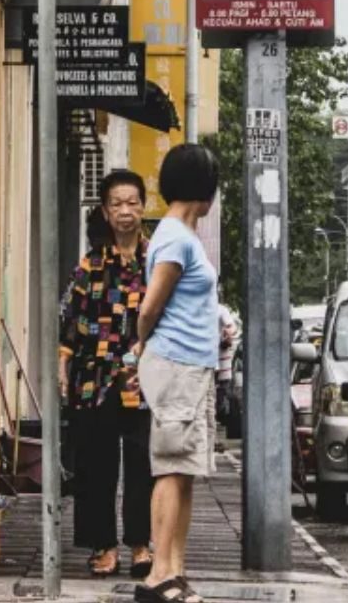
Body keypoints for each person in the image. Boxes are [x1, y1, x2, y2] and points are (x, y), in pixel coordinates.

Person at [57, 171, 155, 579]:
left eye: (132, 202)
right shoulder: (90, 264)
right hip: (93, 379)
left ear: (144, 206)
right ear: (104, 210)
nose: (125, 211)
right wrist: (63, 368)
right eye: (117, 203)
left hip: (143, 379)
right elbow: (70, 322)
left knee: (142, 464)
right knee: (95, 466)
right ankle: (104, 546)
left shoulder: (157, 261)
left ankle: (141, 545)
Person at [135, 145, 221, 603]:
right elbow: (149, 307)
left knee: (184, 469)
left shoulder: (182, 236)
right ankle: (158, 575)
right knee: (170, 467)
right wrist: (141, 345)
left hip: (192, 364)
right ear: (203, 189)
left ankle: (175, 570)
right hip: (177, 364)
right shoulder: (174, 238)